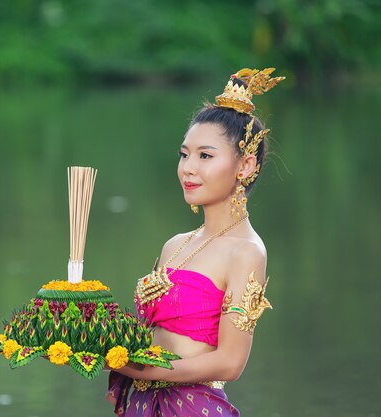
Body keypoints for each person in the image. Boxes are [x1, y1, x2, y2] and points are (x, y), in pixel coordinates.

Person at [106, 68, 284, 416]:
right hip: (142, 404)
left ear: (245, 165)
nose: (188, 167)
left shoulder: (246, 252)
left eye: (205, 156)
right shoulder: (175, 245)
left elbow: (230, 363)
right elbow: (147, 336)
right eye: (184, 154)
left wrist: (143, 369)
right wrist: (92, 331)